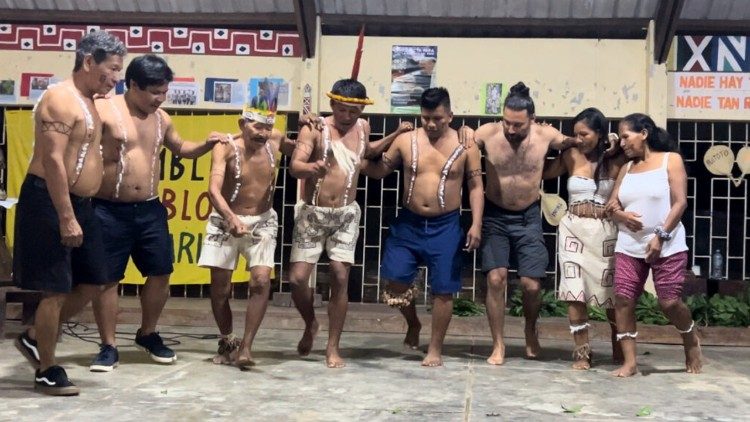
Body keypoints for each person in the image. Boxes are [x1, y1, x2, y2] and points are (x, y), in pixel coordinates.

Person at [87, 54, 227, 372]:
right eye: (153, 92)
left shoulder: (162, 118)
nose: (159, 99)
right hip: (108, 209)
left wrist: (207, 143)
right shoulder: (104, 111)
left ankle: (147, 334)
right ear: (133, 84)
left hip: (150, 208)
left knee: (161, 272)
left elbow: (181, 148)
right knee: (107, 280)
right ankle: (108, 346)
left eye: (164, 92)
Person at [12, 31, 126, 396]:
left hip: (80, 203)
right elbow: (54, 161)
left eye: (119, 71)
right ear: (89, 61)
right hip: (48, 200)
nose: (116, 78)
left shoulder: (91, 100)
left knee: (97, 278)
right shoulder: (60, 100)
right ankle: (47, 368)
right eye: (112, 69)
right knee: (55, 289)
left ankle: (34, 337)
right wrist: (65, 215)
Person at [289, 78, 412, 368]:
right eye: (342, 110)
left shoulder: (363, 127)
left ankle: (333, 347)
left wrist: (395, 134)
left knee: (340, 277)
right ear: (332, 105)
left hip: (345, 214)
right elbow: (295, 167)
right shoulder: (315, 127)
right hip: (313, 213)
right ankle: (311, 323)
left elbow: (367, 153)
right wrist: (312, 167)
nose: (347, 117)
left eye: (353, 111)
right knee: (296, 279)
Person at [364, 87, 483, 367]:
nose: (431, 124)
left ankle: (435, 348)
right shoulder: (406, 140)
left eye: (438, 118)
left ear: (450, 115)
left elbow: (476, 186)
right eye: (426, 118)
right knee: (395, 281)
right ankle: (414, 323)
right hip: (409, 222)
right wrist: (356, 162)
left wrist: (476, 224)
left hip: (447, 225)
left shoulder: (466, 144)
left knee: (443, 289)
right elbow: (381, 169)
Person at [472, 81, 580, 365]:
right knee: (496, 279)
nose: (511, 129)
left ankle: (530, 329)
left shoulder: (546, 135)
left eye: (518, 125)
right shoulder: (488, 134)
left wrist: (605, 143)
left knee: (532, 285)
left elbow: (575, 144)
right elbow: (461, 145)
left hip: (528, 215)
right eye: (507, 122)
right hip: (495, 214)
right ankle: (498, 344)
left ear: (532, 119)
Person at [197, 100, 296, 367]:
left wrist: (316, 129)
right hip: (224, 220)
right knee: (220, 289)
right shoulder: (225, 147)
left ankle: (246, 347)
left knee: (261, 281)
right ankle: (228, 339)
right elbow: (213, 190)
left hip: (262, 221)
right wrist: (230, 217)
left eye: (267, 126)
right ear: (242, 124)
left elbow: (302, 153)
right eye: (256, 125)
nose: (262, 132)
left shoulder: (275, 140)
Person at [605, 113, 702, 377]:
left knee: (669, 303)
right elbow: (612, 206)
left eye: (626, 136)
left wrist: (660, 236)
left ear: (644, 133)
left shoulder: (671, 160)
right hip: (629, 244)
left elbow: (680, 202)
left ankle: (689, 337)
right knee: (623, 301)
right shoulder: (626, 168)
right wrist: (621, 215)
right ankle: (630, 362)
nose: (622, 143)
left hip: (667, 243)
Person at [542, 107, 626, 369]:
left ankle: (619, 347)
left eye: (584, 134)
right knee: (573, 292)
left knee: (611, 295)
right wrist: (543, 138)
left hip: (606, 234)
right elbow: (543, 172)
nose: (579, 139)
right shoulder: (570, 154)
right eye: (575, 134)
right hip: (573, 230)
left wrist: (615, 146)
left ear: (600, 133)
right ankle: (582, 353)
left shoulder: (617, 159)